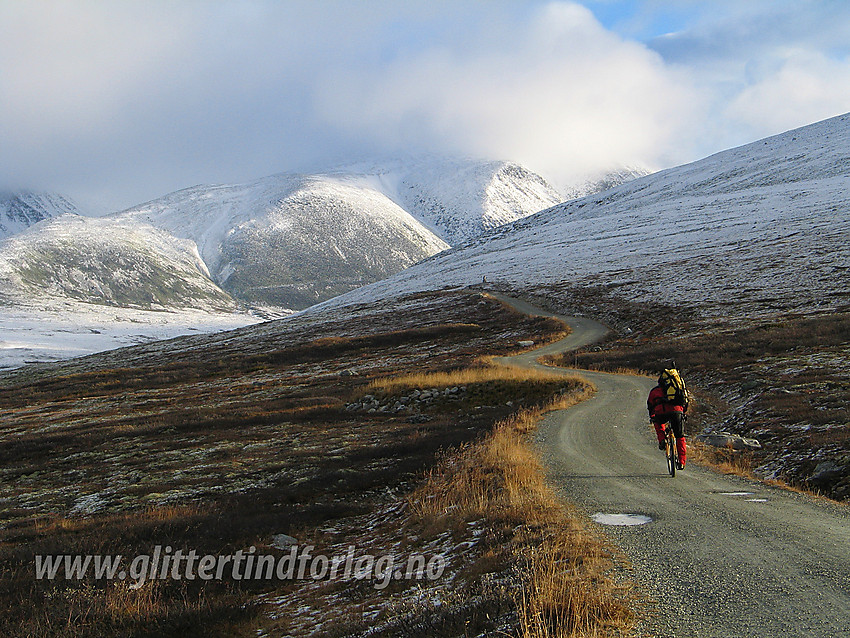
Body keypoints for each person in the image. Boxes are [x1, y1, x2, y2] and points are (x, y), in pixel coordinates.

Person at [647, 369, 688, 469]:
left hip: (661, 412)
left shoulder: (655, 391)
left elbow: (650, 405)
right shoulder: (678, 389)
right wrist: (683, 412)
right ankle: (682, 461)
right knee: (680, 436)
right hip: (677, 412)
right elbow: (685, 401)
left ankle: (662, 440)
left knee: (658, 422)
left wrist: (652, 417)